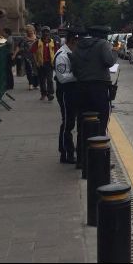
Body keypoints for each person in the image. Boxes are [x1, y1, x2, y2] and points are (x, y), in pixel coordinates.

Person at [70, 26, 116, 134]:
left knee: (82, 119)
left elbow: (74, 68)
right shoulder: (103, 44)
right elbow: (109, 61)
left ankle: (82, 147)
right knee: (101, 118)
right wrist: (114, 52)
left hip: (81, 87)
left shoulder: (78, 45)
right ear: (103, 35)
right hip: (99, 88)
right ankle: (98, 147)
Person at [54, 28, 80, 164]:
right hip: (65, 92)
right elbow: (62, 77)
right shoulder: (62, 55)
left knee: (70, 121)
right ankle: (65, 153)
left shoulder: (71, 52)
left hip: (72, 91)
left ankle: (68, 150)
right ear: (72, 41)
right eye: (77, 42)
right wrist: (78, 75)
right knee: (67, 123)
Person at [32, 26, 56, 101]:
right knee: (42, 80)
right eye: (44, 32)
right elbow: (33, 52)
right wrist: (36, 62)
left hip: (50, 64)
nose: (46, 33)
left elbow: (56, 52)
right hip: (41, 64)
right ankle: (43, 94)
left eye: (47, 32)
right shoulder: (37, 42)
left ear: (49, 33)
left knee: (49, 79)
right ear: (42, 33)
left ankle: (50, 94)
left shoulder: (53, 42)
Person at [17, 24, 39, 90]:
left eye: (31, 30)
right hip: (27, 57)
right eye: (29, 31)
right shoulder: (24, 39)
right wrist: (16, 54)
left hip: (37, 57)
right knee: (29, 70)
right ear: (27, 32)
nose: (30, 32)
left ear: (34, 30)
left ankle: (36, 84)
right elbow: (19, 46)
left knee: (36, 70)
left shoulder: (38, 38)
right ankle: (31, 84)